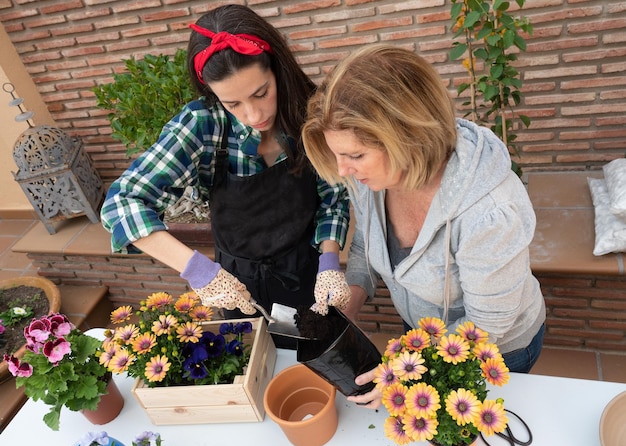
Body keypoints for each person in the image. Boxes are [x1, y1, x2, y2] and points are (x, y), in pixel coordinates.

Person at [301, 44, 546, 406]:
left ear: (408, 138)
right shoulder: (375, 182)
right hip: (422, 332)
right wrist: (345, 307)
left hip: (497, 349)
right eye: (338, 154)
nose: (341, 171)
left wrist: (403, 369)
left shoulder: (489, 213)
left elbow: (486, 329)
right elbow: (364, 246)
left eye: (354, 156)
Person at [100, 5, 351, 347]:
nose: (253, 114)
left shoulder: (309, 113)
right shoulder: (204, 125)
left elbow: (333, 197)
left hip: (304, 271)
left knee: (311, 355)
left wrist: (330, 262)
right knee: (255, 362)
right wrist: (200, 272)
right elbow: (122, 203)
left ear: (277, 69)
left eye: (261, 93)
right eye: (233, 103)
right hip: (235, 283)